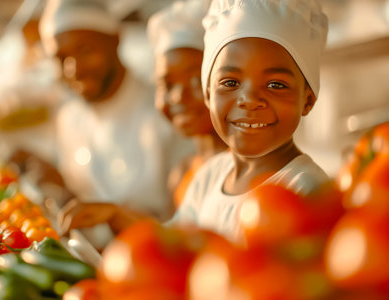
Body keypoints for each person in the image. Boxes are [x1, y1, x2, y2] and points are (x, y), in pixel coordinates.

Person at [58, 0, 331, 243]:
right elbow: (175, 243)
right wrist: (114, 215)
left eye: (275, 84)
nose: (248, 100)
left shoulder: (307, 192)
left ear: (308, 99)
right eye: (230, 82)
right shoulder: (209, 176)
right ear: (209, 95)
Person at [36, 0, 194, 248]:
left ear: (115, 39)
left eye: (85, 51)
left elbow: (187, 228)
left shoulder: (169, 113)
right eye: (61, 58)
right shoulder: (68, 117)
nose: (73, 68)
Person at [147, 0, 227, 209]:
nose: (177, 97)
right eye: (167, 84)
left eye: (195, 80)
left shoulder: (247, 171)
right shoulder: (182, 173)